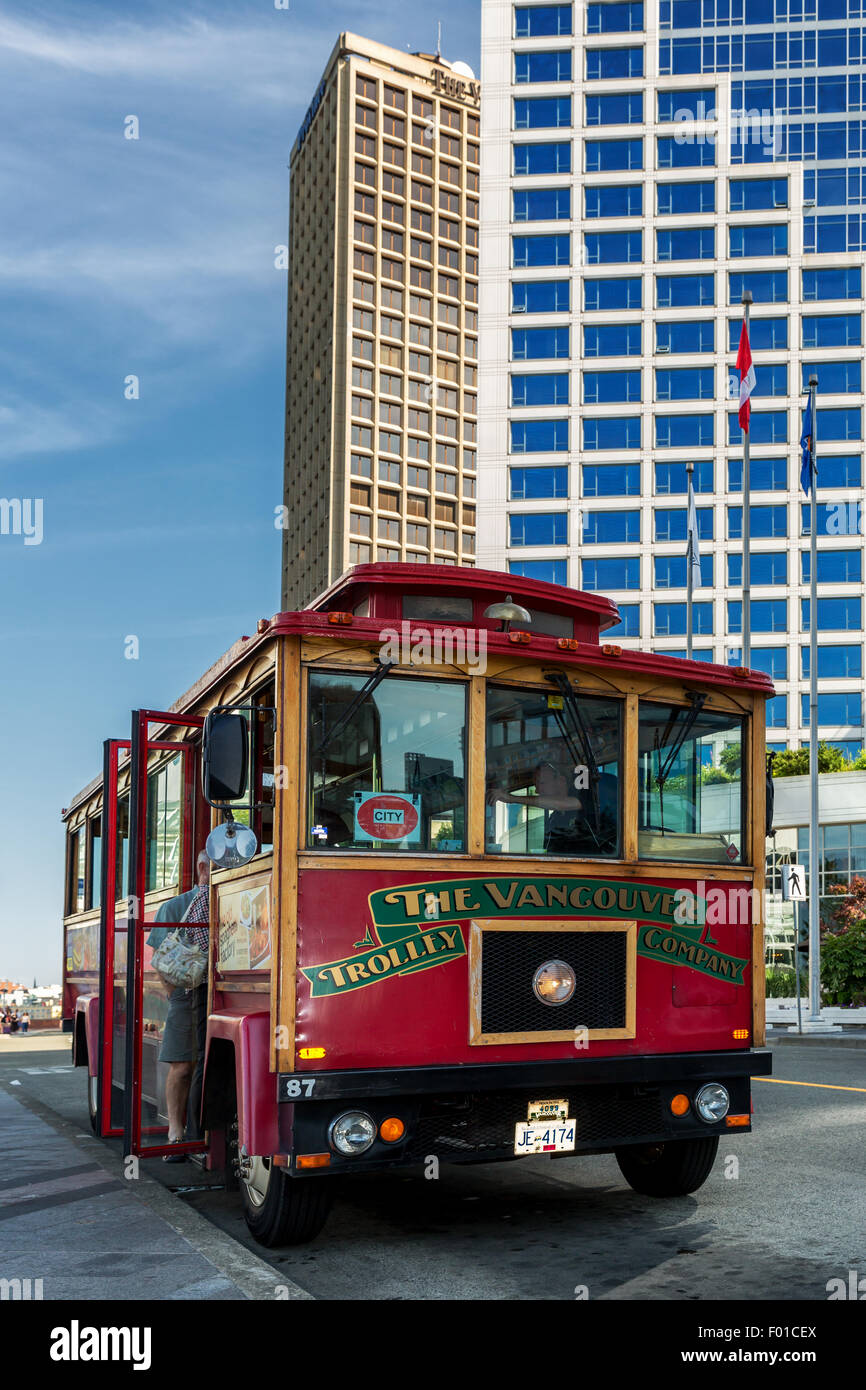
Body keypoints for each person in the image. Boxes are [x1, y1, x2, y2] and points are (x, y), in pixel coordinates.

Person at [147, 851, 210, 1160]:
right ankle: (175, 1132)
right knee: (183, 1065)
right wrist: (174, 994)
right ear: (202, 866)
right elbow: (159, 958)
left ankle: (205, 1131)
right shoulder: (174, 906)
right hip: (188, 991)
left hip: (221, 990)